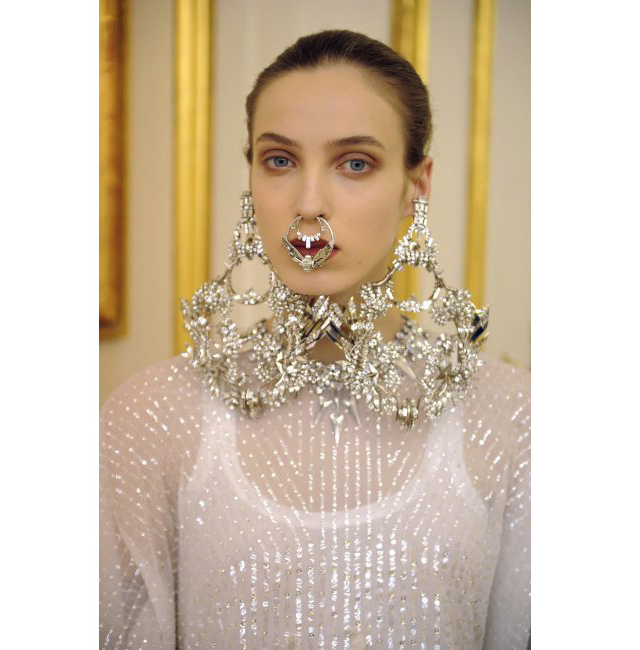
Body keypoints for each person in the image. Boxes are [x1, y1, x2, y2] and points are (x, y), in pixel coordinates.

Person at [100, 30, 530, 649]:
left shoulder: (511, 419)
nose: (309, 204)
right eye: (280, 160)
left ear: (417, 184)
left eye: (355, 163)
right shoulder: (152, 418)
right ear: (251, 178)